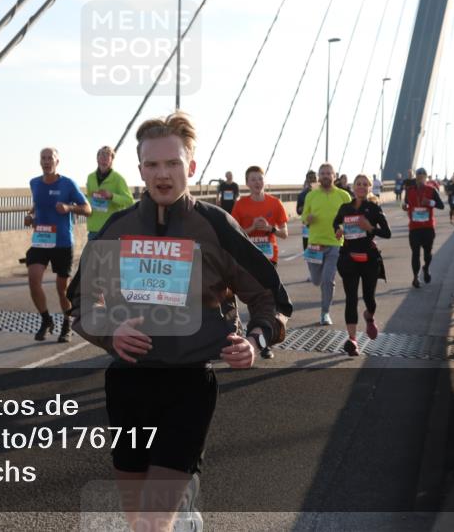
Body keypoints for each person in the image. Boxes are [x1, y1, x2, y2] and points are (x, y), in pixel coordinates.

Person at [68, 112, 291, 532]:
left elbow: (270, 298)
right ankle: (184, 516)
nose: (162, 174)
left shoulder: (216, 226)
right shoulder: (119, 226)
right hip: (128, 382)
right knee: (138, 521)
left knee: (152, 524)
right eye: (152, 164)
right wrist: (109, 331)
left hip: (188, 386)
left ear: (190, 167)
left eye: (172, 163)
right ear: (140, 171)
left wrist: (256, 342)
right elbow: (79, 301)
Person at [25, 147, 91, 342]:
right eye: (43, 158)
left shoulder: (68, 184)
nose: (46, 161)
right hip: (41, 240)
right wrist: (30, 216)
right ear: (40, 161)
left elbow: (87, 209)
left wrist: (69, 207)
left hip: (62, 241)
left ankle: (67, 322)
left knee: (62, 289)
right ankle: (46, 320)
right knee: (33, 279)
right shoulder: (34, 183)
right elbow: (37, 204)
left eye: (50, 158)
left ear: (57, 162)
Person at [232, 166, 289, 357]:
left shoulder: (274, 203)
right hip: (250, 258)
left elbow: (284, 234)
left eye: (260, 179)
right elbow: (234, 235)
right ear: (247, 183)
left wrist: (269, 229)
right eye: (253, 179)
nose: (257, 182)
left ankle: (265, 341)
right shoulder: (240, 205)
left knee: (270, 300)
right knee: (256, 302)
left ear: (264, 181)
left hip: (269, 258)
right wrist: (251, 228)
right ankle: (260, 337)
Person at [333, 174, 391, 356]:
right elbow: (336, 221)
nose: (361, 187)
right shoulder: (345, 207)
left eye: (365, 184)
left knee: (369, 298)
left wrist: (370, 228)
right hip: (349, 257)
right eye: (358, 184)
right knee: (351, 298)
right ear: (353, 186)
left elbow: (387, 233)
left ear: (369, 188)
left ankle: (369, 316)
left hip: (369, 259)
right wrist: (338, 229)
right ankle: (352, 340)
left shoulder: (374, 208)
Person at [301, 163, 353, 325]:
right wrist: (307, 219)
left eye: (328, 173)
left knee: (327, 280)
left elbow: (350, 219)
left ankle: (325, 313)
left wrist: (344, 229)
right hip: (314, 245)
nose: (325, 176)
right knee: (316, 280)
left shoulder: (344, 196)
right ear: (318, 176)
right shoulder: (311, 196)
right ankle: (323, 301)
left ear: (334, 176)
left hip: (335, 243)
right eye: (322, 173)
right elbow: (304, 217)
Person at [403, 168, 446, 288]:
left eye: (423, 175)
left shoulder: (432, 190)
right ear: (415, 177)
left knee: (427, 254)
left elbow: (441, 206)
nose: (420, 176)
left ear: (426, 177)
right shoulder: (409, 190)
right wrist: (405, 206)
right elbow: (406, 203)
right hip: (414, 227)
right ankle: (415, 277)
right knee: (415, 253)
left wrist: (430, 202)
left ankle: (426, 268)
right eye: (418, 174)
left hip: (428, 227)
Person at [85, 145, 134, 234]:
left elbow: (129, 201)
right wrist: (91, 198)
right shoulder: (90, 177)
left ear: (112, 160)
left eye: (108, 155)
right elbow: (88, 199)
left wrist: (111, 196)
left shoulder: (118, 178)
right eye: (102, 154)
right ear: (97, 158)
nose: (104, 157)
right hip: (93, 229)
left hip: (112, 228)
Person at [297, 170, 317, 250]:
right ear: (307, 180)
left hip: (321, 230)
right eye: (310, 178)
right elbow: (298, 211)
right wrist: (303, 208)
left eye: (314, 178)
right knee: (309, 255)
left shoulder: (324, 193)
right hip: (307, 231)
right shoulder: (302, 195)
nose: (312, 179)